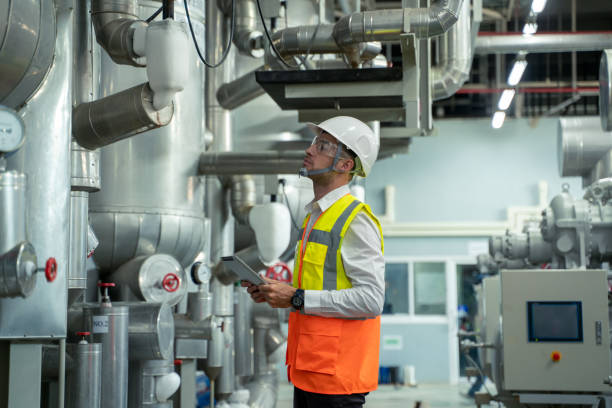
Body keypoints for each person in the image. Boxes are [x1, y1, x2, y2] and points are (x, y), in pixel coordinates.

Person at [242, 116, 385, 408]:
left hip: (337, 379)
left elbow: (371, 300)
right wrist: (278, 292)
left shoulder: (355, 219)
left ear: (345, 165)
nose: (309, 150)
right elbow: (318, 287)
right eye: (313, 143)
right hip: (311, 372)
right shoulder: (316, 216)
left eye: (322, 146)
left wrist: (295, 298)